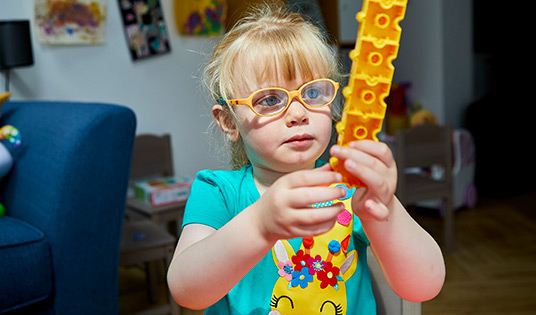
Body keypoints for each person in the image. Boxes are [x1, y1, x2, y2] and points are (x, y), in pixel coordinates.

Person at [167, 4, 445, 314]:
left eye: (312, 93)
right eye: (270, 100)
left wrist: (385, 211)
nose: (298, 113)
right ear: (230, 122)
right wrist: (260, 225)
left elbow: (424, 285)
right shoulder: (218, 192)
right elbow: (185, 291)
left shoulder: (350, 191)